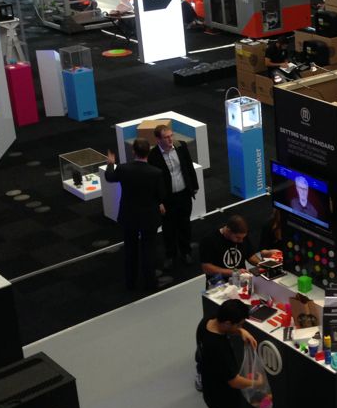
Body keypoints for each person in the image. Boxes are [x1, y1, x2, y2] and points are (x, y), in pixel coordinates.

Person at [104, 138, 165, 290]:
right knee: (148, 250)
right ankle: (150, 282)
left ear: (133, 152)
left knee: (130, 249)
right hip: (149, 217)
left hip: (129, 215)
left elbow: (109, 177)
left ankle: (130, 282)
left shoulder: (123, 169)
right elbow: (161, 195)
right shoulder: (156, 172)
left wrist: (111, 163)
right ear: (148, 152)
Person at [148, 124, 199, 270]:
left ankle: (186, 252)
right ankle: (170, 255)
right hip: (167, 199)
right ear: (158, 139)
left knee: (185, 224)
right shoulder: (153, 155)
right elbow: (153, 182)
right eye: (166, 137)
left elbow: (188, 166)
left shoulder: (181, 146)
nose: (170, 139)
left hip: (184, 194)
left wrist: (194, 186)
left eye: (171, 135)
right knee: (168, 228)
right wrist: (159, 202)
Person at [199, 215, 265, 286]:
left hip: (241, 281)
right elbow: (207, 268)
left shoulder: (242, 236)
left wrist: (262, 264)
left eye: (243, 238)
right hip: (220, 285)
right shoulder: (209, 241)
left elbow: (250, 255)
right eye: (238, 237)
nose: (241, 241)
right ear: (228, 231)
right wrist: (233, 272)